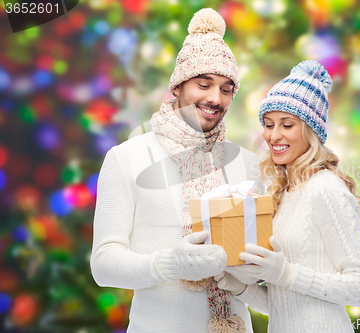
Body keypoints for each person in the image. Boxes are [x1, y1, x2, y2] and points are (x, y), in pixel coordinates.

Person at [90, 8, 264, 333]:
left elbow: (262, 277)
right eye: (203, 84)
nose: (215, 98)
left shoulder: (248, 164)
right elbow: (103, 266)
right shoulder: (125, 158)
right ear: (178, 86)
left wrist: (265, 268)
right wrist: (171, 263)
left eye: (227, 89)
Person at [215, 60, 360, 333]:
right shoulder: (282, 192)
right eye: (268, 124)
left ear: (310, 130)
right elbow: (286, 304)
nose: (273, 135)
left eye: (287, 125)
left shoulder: (326, 189)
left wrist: (287, 273)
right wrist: (242, 287)